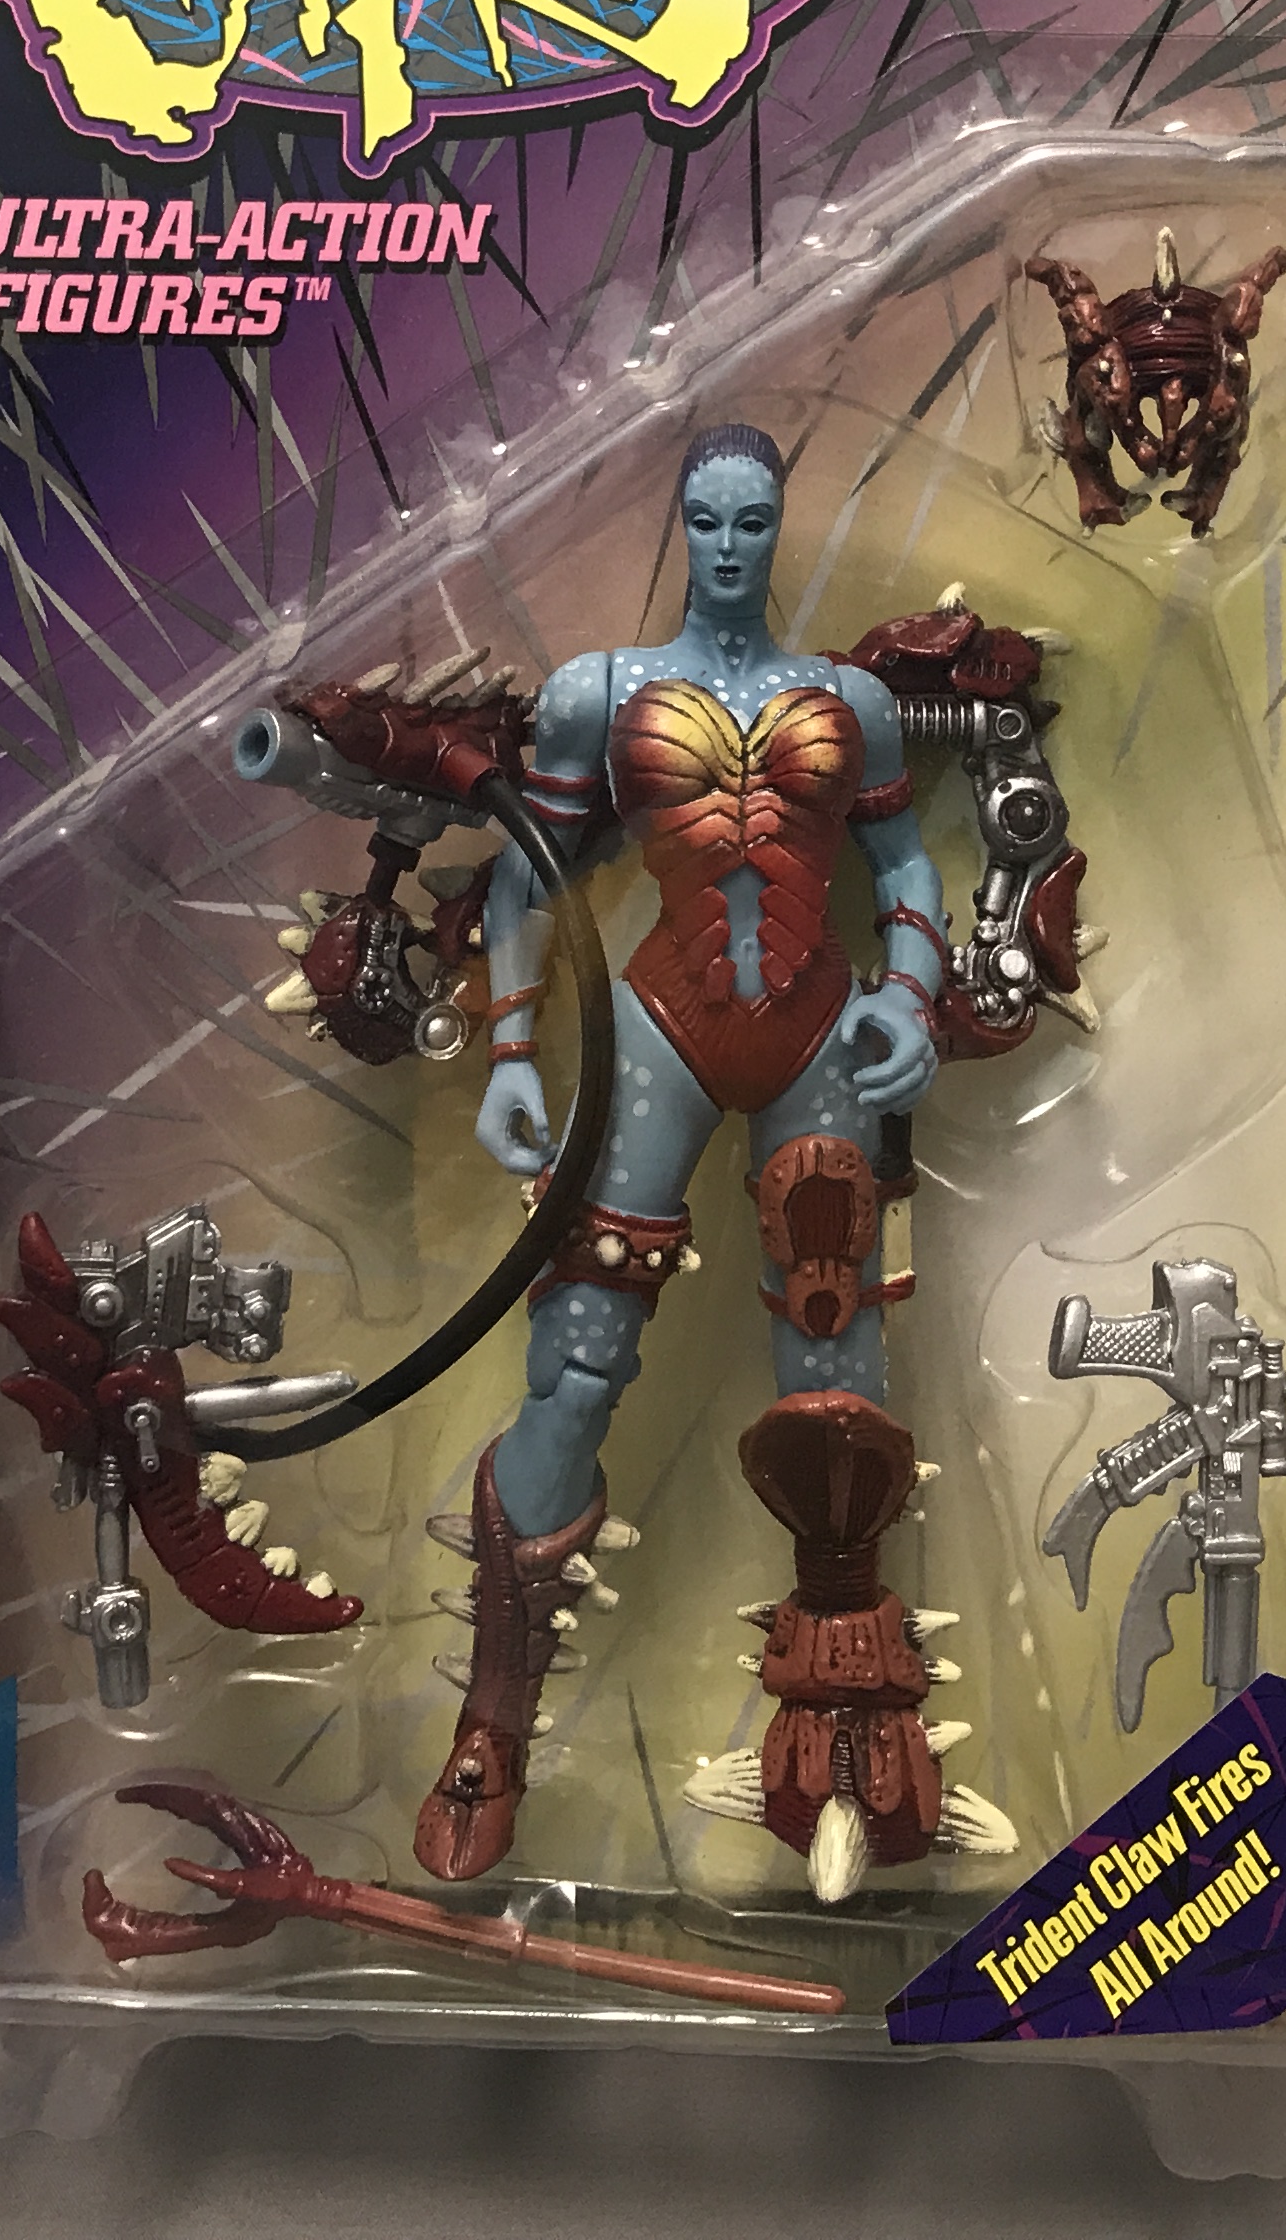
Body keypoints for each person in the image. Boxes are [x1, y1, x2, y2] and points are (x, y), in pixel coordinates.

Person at [419, 423, 983, 1899]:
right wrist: (512, 1058)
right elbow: (530, 881)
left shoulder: (850, 702)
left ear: (779, 527)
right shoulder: (601, 695)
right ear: (683, 525)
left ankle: (852, 1736)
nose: (731, 547)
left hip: (817, 1035)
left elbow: (906, 867)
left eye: (752, 522)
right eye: (709, 522)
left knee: (836, 1381)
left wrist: (911, 997)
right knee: (577, 1364)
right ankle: (493, 1718)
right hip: (661, 1030)